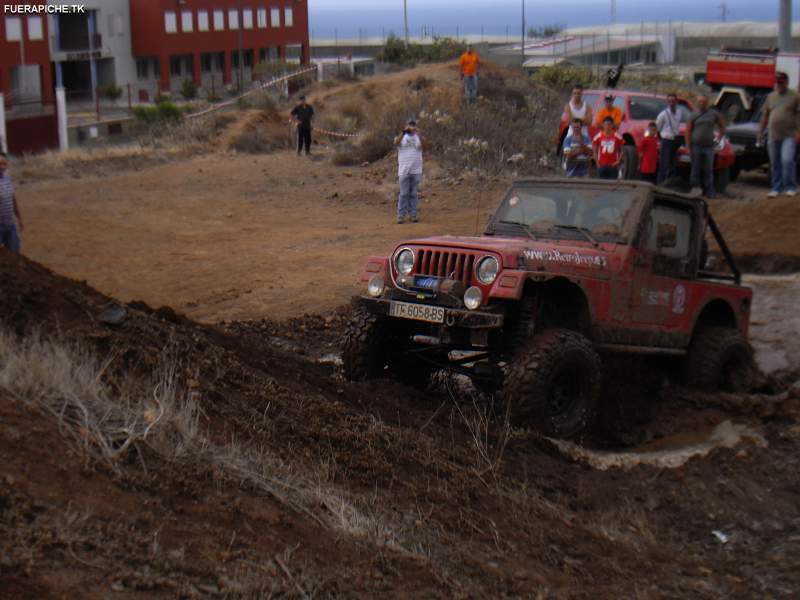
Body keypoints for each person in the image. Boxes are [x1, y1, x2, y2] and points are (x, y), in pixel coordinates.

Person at [758, 71, 800, 198]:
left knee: (787, 160)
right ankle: (776, 187)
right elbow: (765, 115)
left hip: (789, 135)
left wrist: (799, 132)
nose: (779, 84)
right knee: (775, 162)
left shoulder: (795, 96)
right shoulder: (771, 97)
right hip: (773, 135)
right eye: (777, 82)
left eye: (781, 82)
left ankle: (791, 186)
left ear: (786, 82)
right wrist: (760, 132)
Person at [686, 94, 725, 198]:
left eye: (703, 101)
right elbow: (688, 131)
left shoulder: (713, 114)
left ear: (707, 102)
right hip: (696, 145)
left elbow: (722, 126)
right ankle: (695, 188)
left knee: (708, 169)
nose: (701, 103)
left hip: (709, 146)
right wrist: (688, 146)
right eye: (699, 101)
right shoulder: (693, 115)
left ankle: (709, 190)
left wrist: (718, 140)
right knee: (695, 168)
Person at [395, 120, 425, 224]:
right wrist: (403, 132)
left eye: (413, 126)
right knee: (404, 193)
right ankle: (401, 215)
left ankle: (413, 215)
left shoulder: (418, 137)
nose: (411, 128)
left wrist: (419, 133)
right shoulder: (402, 137)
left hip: (416, 169)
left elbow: (425, 145)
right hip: (404, 169)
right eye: (410, 126)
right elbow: (396, 143)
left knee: (413, 194)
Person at [655, 93, 683, 184]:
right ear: (667, 102)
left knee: (673, 163)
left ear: (676, 102)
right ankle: (660, 182)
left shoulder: (679, 112)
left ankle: (670, 181)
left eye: (673, 101)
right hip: (666, 139)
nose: (671, 103)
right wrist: (662, 139)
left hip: (675, 139)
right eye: (670, 101)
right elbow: (658, 129)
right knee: (664, 162)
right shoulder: (663, 114)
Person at [0, 152, 23, 254]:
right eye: (0, 164)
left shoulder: (7, 178)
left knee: (14, 254)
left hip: (10, 223)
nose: (2, 167)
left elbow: (12, 199)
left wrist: (19, 217)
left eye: (4, 164)